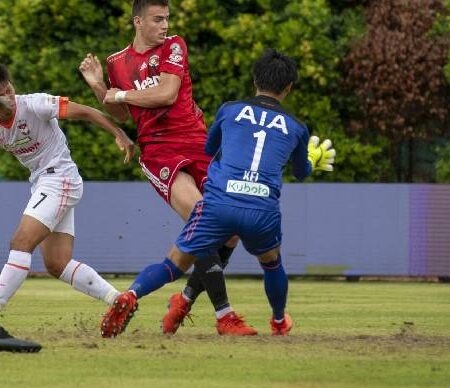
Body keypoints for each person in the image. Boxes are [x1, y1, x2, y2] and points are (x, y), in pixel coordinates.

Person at [99, 48, 336, 337]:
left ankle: (133, 295)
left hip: (219, 203)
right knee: (272, 265)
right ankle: (277, 322)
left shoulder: (230, 110)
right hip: (261, 209)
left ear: (254, 81)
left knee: (173, 264)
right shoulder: (297, 128)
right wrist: (312, 159)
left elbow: (210, 150)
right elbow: (301, 172)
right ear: (288, 88)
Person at [79, 0, 247, 336]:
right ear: (137, 21)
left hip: (197, 142)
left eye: (167, 18)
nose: (165, 25)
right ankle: (224, 316)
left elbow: (167, 93)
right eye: (158, 19)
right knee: (203, 216)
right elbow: (124, 113)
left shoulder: (174, 45)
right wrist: (98, 85)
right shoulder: (116, 62)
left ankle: (181, 300)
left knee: (231, 230)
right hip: (158, 150)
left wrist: (118, 95)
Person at [0, 63, 135, 346]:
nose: (8, 96)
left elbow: (86, 111)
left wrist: (119, 134)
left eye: (9, 88)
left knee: (21, 242)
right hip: (44, 182)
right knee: (57, 263)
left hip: (60, 178)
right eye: (2, 94)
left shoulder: (35, 105)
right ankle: (118, 299)